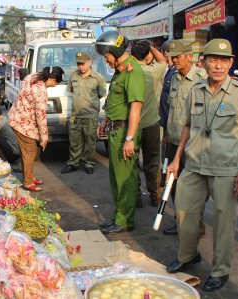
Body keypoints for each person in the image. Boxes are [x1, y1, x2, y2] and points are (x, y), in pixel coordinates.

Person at [165, 39, 238, 292]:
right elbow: (187, 125)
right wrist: (177, 159)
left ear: (230, 63)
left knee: (223, 222)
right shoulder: (195, 90)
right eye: (213, 59)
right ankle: (188, 256)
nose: (218, 65)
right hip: (194, 166)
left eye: (223, 60)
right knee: (184, 214)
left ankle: (220, 270)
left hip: (227, 169)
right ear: (203, 62)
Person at [95, 31, 145, 234]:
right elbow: (115, 101)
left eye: (106, 55)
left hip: (126, 132)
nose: (105, 60)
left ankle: (125, 221)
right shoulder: (121, 71)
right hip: (116, 129)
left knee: (126, 179)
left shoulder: (133, 71)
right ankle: (119, 216)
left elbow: (135, 107)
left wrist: (130, 139)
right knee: (116, 178)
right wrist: (105, 120)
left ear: (115, 51)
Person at [162, 40, 208, 236]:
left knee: (193, 188)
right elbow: (171, 109)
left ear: (190, 56)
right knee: (173, 184)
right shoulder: (173, 77)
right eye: (172, 57)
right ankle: (180, 220)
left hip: (193, 143)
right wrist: (166, 133)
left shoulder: (202, 77)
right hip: (172, 140)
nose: (174, 61)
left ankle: (195, 223)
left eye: (178, 57)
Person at [8, 66, 65, 191]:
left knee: (29, 151)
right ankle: (27, 182)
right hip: (23, 124)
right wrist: (44, 138)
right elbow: (41, 116)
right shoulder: (41, 92)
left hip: (16, 117)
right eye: (56, 82)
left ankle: (29, 175)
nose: (55, 85)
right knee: (30, 152)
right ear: (52, 79)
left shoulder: (32, 77)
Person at [131, 40, 167, 208]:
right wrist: (150, 46)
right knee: (153, 162)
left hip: (133, 125)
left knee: (132, 162)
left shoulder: (128, 72)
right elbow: (163, 61)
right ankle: (154, 195)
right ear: (147, 56)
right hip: (152, 123)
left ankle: (136, 196)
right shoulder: (152, 71)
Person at [61, 52, 108, 175]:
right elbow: (71, 91)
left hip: (90, 115)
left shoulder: (98, 78)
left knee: (90, 141)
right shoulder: (73, 76)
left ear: (89, 62)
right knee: (74, 141)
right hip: (75, 115)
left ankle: (88, 163)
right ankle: (73, 163)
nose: (80, 67)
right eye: (78, 64)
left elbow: (102, 94)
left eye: (82, 64)